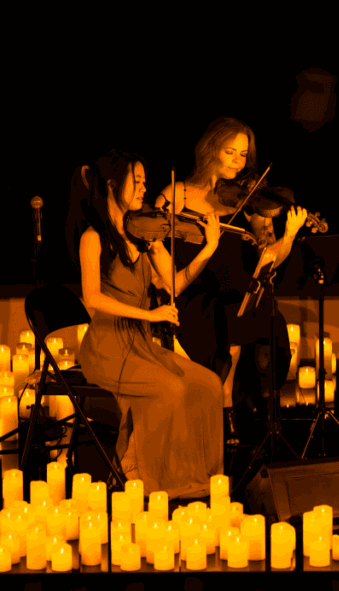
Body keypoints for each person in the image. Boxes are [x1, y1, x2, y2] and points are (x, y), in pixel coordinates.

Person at [71, 150, 225, 502]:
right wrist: (151, 316)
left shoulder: (145, 235)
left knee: (209, 385)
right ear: (112, 185)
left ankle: (200, 477)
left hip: (139, 345)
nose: (144, 187)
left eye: (144, 180)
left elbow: (175, 283)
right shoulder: (94, 238)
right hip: (108, 348)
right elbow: (92, 298)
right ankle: (147, 477)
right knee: (170, 388)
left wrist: (208, 249)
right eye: (136, 181)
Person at [153, 117, 307, 444]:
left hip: (232, 292)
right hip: (192, 293)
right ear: (211, 150)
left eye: (243, 154)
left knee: (267, 317)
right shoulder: (177, 193)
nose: (238, 162)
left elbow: (268, 258)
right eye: (230, 152)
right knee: (222, 315)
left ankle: (257, 406)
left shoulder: (245, 202)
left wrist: (290, 235)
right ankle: (224, 403)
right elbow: (154, 246)